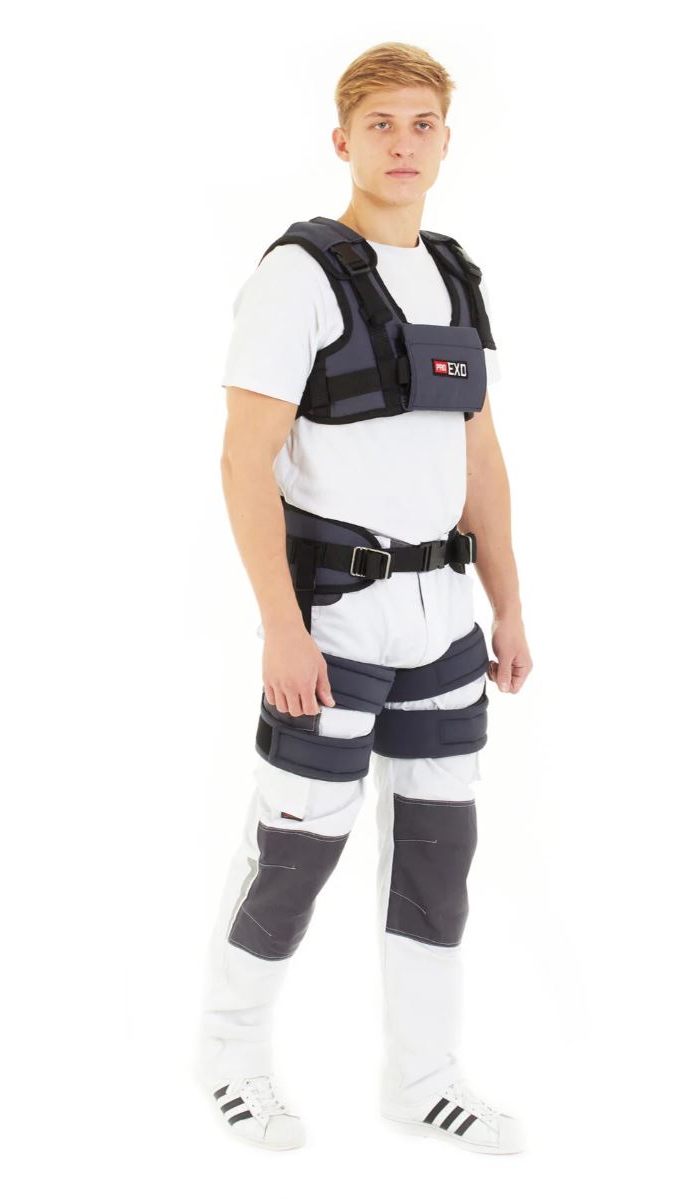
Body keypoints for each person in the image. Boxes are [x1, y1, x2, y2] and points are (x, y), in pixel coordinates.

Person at [194, 41, 533, 1154]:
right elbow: (244, 460)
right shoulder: (296, 276)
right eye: (381, 123)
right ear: (343, 141)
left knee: (439, 854)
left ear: (446, 140)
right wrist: (281, 628)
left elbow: (481, 457)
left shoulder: (455, 275)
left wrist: (508, 605)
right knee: (296, 848)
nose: (402, 143)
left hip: (443, 622)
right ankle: (232, 1058)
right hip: (333, 620)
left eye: (421, 123)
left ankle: (422, 1077)